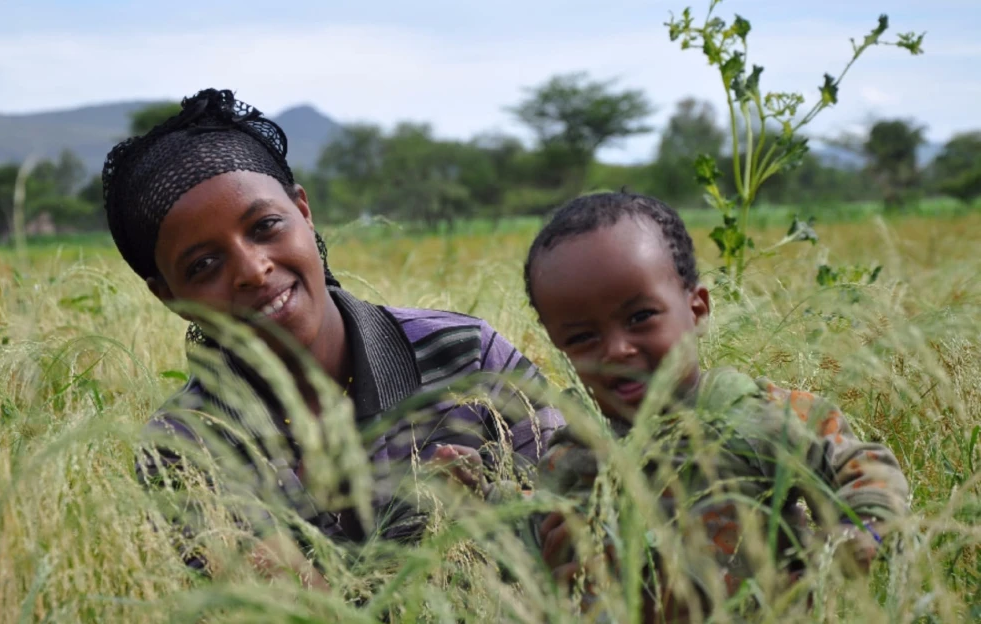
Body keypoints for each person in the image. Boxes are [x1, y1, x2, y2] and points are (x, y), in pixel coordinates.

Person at [100, 88, 563, 579]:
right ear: (169, 295)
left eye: (265, 226)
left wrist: (495, 509)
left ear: (303, 212)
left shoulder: (468, 355)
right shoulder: (185, 449)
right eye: (204, 264)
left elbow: (589, 523)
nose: (253, 270)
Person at [519, 191, 910, 618]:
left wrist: (863, 531)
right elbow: (533, 529)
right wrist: (480, 497)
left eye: (640, 317)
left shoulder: (761, 415)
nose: (616, 350)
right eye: (581, 338)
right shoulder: (574, 453)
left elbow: (861, 468)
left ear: (697, 309)